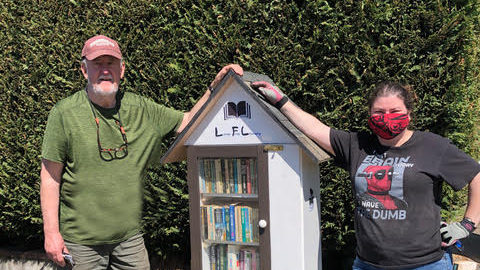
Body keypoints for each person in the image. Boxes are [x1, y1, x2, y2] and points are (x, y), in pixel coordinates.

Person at [40, 34, 243, 269]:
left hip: (129, 240)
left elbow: (187, 123)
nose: (105, 70)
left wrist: (214, 88)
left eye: (111, 64)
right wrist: (52, 233)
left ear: (122, 69)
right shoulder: (64, 113)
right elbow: (50, 177)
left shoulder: (139, 107)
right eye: (97, 64)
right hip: (80, 244)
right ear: (84, 70)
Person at [251, 80, 480, 269]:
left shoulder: (433, 146)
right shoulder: (357, 145)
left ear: (408, 113)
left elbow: (475, 175)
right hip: (367, 264)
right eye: (379, 112)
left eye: (395, 112)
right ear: (370, 114)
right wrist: (281, 101)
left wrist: (467, 224)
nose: (387, 117)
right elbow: (315, 129)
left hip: (425, 264)